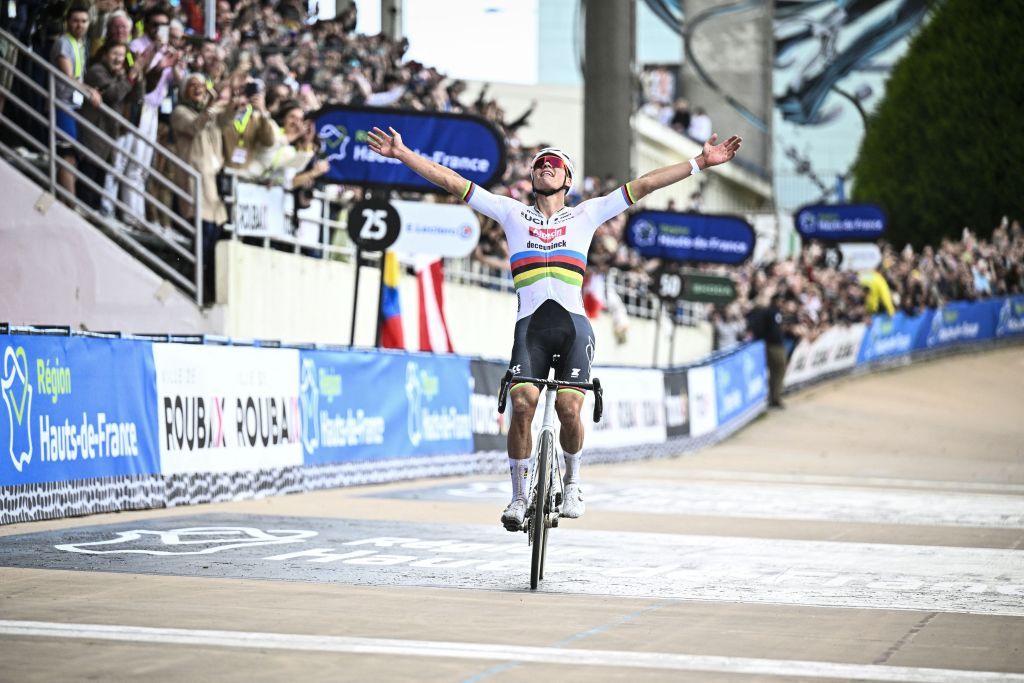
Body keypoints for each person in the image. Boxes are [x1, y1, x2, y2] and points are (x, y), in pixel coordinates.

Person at [368, 125, 742, 530]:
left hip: (573, 326)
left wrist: (699, 163)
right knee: (523, 403)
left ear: (568, 179)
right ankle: (517, 497)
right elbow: (453, 182)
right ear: (531, 178)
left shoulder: (587, 213)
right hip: (530, 327)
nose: (545, 166)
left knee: (568, 407)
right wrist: (405, 155)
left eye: (555, 164)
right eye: (539, 163)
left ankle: (575, 481)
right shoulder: (511, 212)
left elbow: (646, 183)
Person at [49, 0, 101, 201]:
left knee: (72, 155)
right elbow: (67, 76)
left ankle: (66, 200)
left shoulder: (80, 43)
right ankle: (69, 203)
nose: (80, 25)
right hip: (62, 105)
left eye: (84, 21)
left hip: (74, 106)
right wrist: (90, 91)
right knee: (66, 154)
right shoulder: (64, 42)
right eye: (75, 21)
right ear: (68, 22)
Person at [746, 291, 787, 408]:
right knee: (778, 371)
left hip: (770, 345)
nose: (783, 303)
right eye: (781, 301)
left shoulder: (770, 312)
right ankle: (775, 398)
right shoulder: (771, 312)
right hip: (774, 346)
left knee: (775, 372)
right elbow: (771, 331)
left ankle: (773, 397)